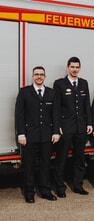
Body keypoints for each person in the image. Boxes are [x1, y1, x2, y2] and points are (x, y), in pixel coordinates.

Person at [15, 66, 61, 203]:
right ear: (33, 76)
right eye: (36, 74)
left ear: (45, 77)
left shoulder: (51, 93)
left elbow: (56, 114)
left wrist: (56, 132)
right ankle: (29, 192)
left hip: (47, 136)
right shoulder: (24, 92)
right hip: (29, 136)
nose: (39, 77)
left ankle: (45, 191)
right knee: (29, 165)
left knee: (46, 165)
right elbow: (19, 115)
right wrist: (21, 134)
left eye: (41, 74)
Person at [53, 57, 92, 197]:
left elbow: (86, 104)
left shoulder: (83, 83)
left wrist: (89, 123)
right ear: (67, 68)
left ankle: (78, 185)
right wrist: (57, 126)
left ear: (79, 68)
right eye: (72, 67)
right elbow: (56, 107)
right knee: (62, 158)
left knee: (79, 158)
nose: (75, 69)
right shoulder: (59, 84)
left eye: (77, 67)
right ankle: (60, 187)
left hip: (81, 127)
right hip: (66, 127)